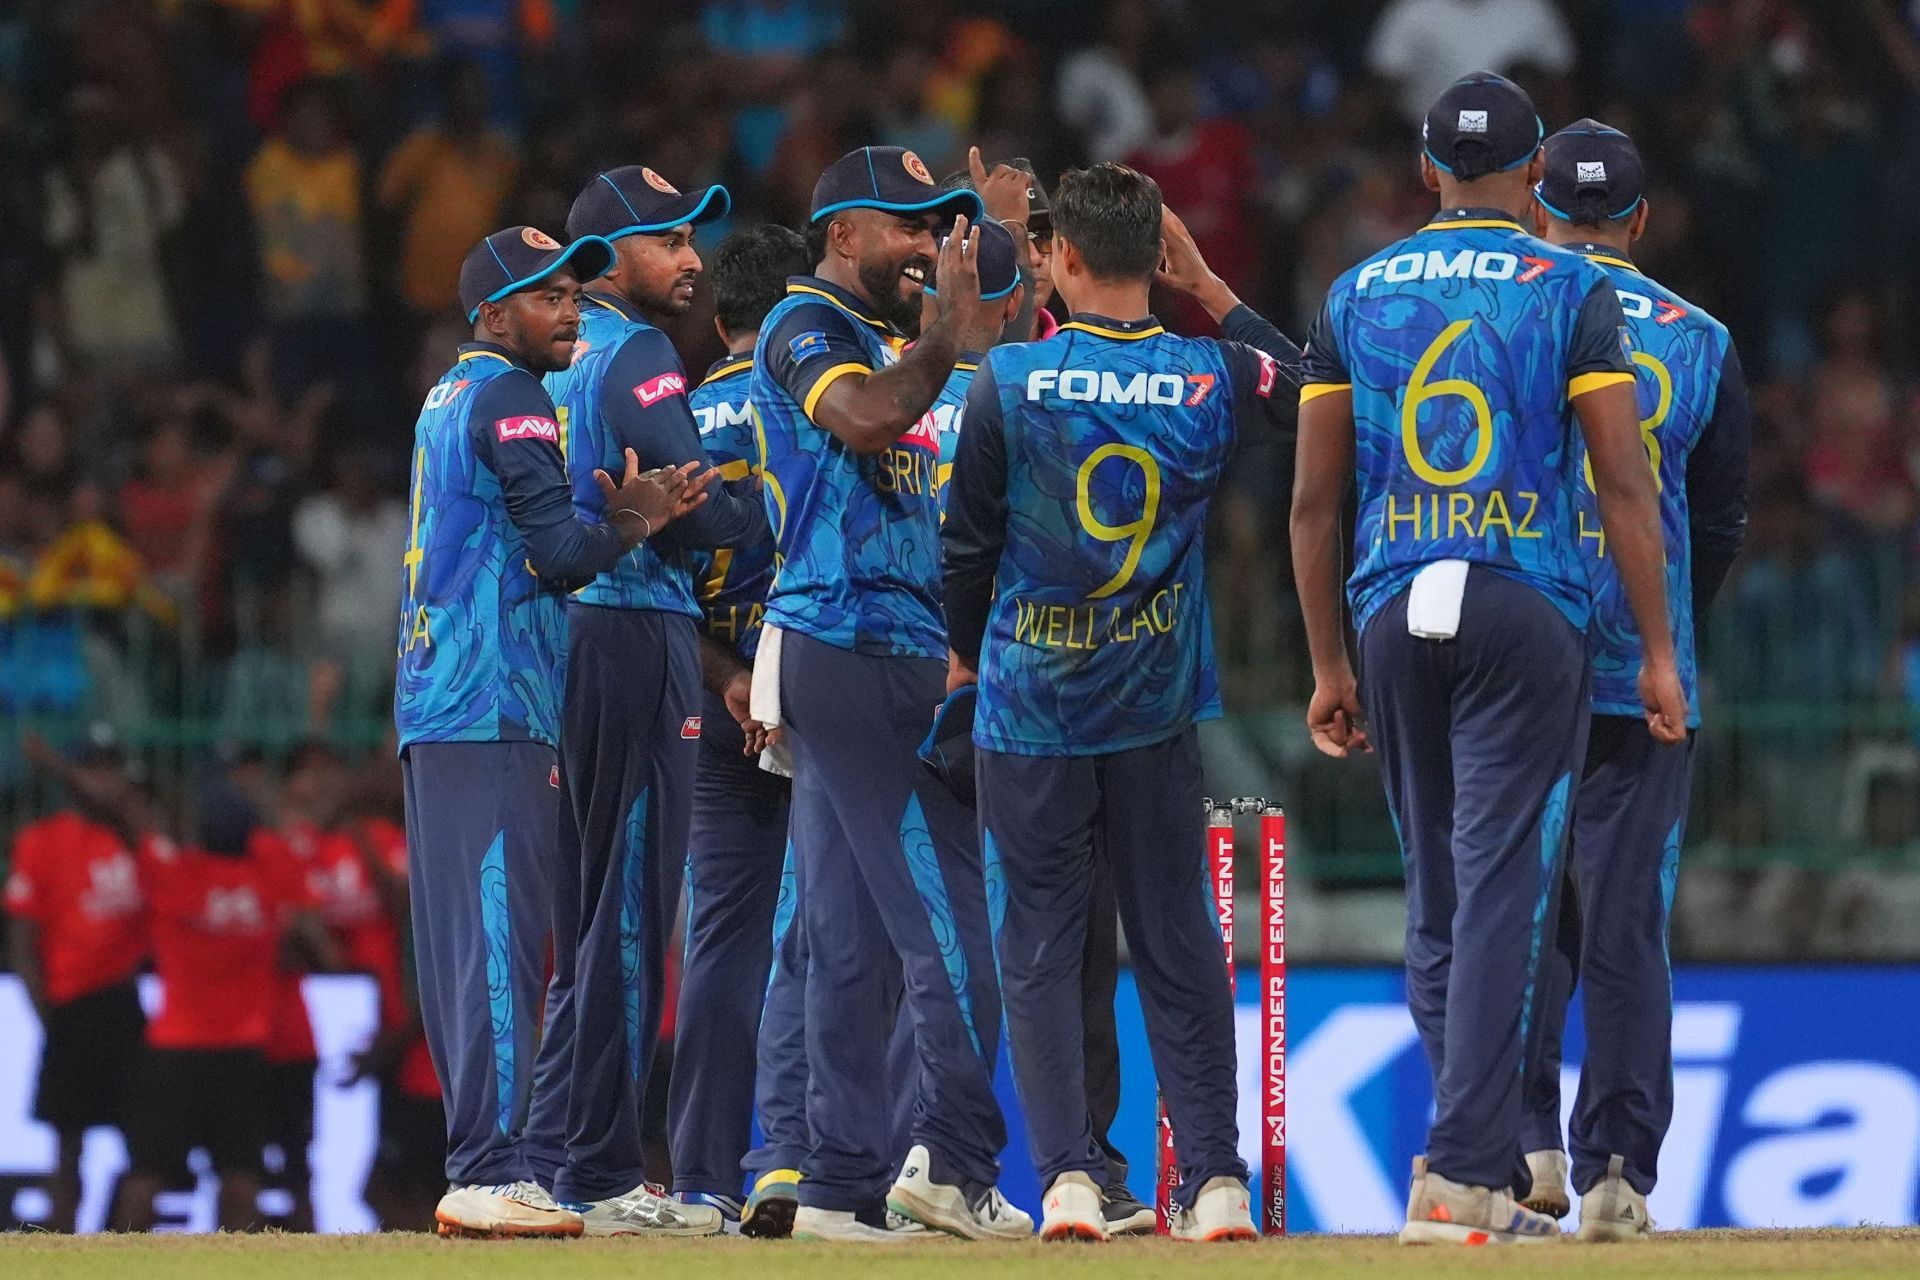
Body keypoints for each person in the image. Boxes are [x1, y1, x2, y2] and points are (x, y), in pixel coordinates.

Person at [1288, 73, 1687, 1246]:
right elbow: (1625, 483)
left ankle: (1480, 1155)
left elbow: (1315, 502)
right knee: (1507, 887)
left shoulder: (1353, 292)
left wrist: (1325, 661)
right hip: (1527, 606)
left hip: (1389, 600)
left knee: (1441, 898)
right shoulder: (1568, 285)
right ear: (1532, 178)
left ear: (1426, 173)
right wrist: (1657, 651)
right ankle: (1467, 1168)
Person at [942, 164, 1300, 1244]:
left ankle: (1067, 1182)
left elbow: (967, 550)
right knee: (1179, 941)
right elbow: (1317, 383)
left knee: (1042, 948)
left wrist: (969, 655)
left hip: (1030, 708)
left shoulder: (1010, 379)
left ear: (1059, 260)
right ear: (1156, 255)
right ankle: (1219, 1182)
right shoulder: (1210, 374)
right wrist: (1212, 287)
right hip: (1151, 710)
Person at [394, 224, 711, 1239]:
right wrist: (637, 518)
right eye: (546, 298)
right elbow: (565, 554)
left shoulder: (448, 395)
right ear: (492, 314)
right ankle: (490, 1166)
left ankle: (497, 1160)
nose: (570, 311)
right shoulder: (513, 399)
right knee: (499, 929)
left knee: (473, 932)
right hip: (493, 697)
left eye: (575, 294)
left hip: (445, 695)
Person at [749, 145, 1019, 1243]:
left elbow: (980, 367)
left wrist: (1001, 253)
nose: (925, 245)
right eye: (907, 225)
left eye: (937, 225)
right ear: (842, 232)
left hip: (874, 648)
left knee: (848, 939)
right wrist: (946, 331)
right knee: (951, 916)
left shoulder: (896, 337)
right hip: (856, 646)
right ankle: (955, 1161)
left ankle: (838, 1182)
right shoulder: (805, 326)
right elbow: (864, 418)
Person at [1517, 120, 1751, 1240]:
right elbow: (1721, 511)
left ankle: (1520, 1147)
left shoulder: (1514, 309)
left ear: (1536, 206)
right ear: (1642, 220)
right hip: (1644, 670)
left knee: (1509, 911)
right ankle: (1616, 1169)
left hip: (1517, 661)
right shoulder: (1700, 338)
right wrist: (1666, 637)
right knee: (1625, 924)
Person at [522, 166, 764, 1237]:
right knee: (625, 907)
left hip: (569, 633)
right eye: (669, 239)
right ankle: (604, 1170)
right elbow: (700, 514)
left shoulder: (557, 356)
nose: (693, 259)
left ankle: (553, 1151)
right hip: (633, 626)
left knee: (587, 909)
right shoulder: (641, 352)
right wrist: (760, 518)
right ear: (610, 256)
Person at [667, 223, 808, 1228]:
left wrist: (727, 681)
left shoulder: (675, 418)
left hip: (718, 702)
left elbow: (657, 585)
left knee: (721, 939)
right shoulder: (829, 401)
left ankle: (702, 1177)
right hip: (829, 695)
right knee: (835, 930)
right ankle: (805, 1159)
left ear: (719, 320)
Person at [4, 729, 146, 1233]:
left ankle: (122, 1243)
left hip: (125, 1002)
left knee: (144, 1145)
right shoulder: (41, 841)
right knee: (67, 1146)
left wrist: (57, 767)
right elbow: (23, 939)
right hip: (72, 1003)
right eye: (94, 767)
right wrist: (48, 1013)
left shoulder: (135, 833)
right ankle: (61, 1245)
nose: (103, 779)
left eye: (111, 767)